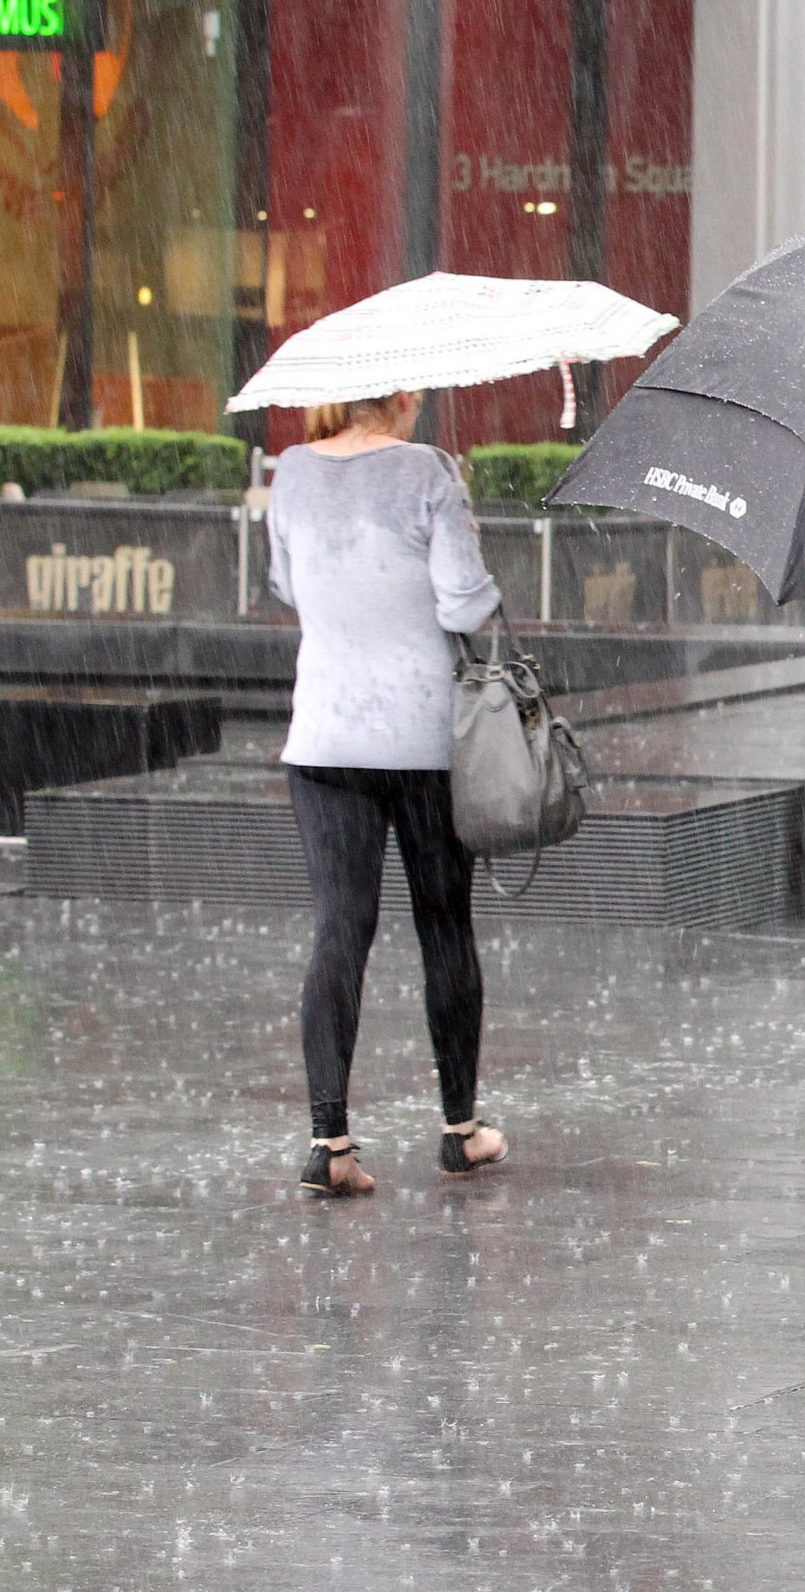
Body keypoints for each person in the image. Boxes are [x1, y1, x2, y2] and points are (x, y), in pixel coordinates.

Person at [266, 390, 508, 1197]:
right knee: (444, 924)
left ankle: (328, 1140)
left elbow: (288, 587)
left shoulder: (291, 472)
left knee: (340, 926)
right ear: (402, 396)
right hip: (424, 740)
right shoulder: (431, 474)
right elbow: (466, 602)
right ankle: (459, 1129)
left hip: (325, 738)